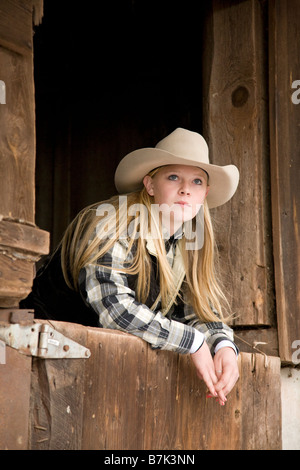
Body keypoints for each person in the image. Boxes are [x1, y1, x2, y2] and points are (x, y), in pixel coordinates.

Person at [21, 128, 240, 406]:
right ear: (150, 185)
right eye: (173, 177)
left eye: (197, 181)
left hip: (96, 373)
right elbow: (116, 309)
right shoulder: (110, 223)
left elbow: (199, 311)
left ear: (205, 194)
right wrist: (193, 342)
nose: (186, 189)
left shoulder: (188, 245)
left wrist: (223, 346)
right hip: (37, 355)